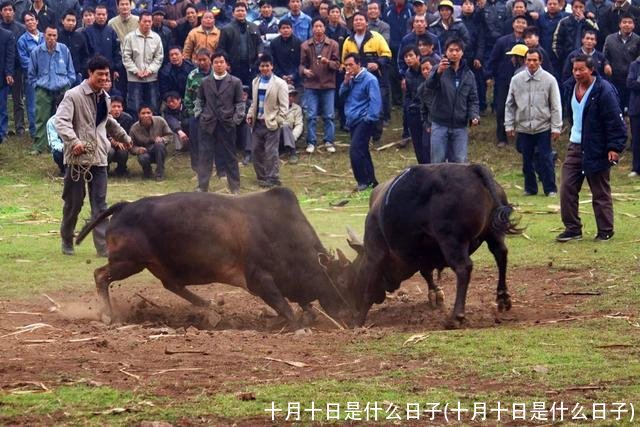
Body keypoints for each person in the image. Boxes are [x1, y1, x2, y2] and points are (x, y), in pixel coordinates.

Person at [55, 55, 132, 256]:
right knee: (74, 203)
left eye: (106, 74)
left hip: (99, 158)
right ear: (90, 73)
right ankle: (67, 238)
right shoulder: (73, 95)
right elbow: (60, 122)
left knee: (100, 204)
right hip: (78, 160)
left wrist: (124, 137)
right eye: (100, 74)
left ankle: (103, 247)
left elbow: (107, 122)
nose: (104, 78)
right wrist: (74, 142)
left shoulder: (105, 97)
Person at [556, 55, 626, 242]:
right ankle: (572, 229)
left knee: (600, 191)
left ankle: (605, 230)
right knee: (567, 187)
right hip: (575, 145)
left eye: (581, 70)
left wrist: (614, 147)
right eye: (575, 70)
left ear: (592, 69)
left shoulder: (604, 91)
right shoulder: (570, 87)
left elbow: (615, 122)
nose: (577, 73)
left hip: (598, 148)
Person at [505, 47, 561, 197]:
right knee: (526, 160)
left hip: (543, 126)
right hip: (523, 126)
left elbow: (556, 105)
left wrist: (556, 127)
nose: (531, 63)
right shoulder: (516, 80)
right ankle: (530, 188)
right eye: (529, 60)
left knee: (545, 158)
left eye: (535, 60)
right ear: (525, 61)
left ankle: (550, 188)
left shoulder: (549, 80)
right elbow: (510, 104)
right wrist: (509, 125)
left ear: (540, 61)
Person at [194, 52, 244, 193]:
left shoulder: (235, 82)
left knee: (230, 156)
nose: (219, 65)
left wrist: (235, 120)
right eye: (216, 62)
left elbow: (240, 104)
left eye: (222, 62)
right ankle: (202, 186)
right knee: (205, 155)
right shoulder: (205, 81)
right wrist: (200, 116)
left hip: (227, 124)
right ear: (212, 63)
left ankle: (234, 187)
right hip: (208, 123)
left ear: (226, 64)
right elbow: (199, 101)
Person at [425, 37, 479, 164]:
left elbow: (473, 99)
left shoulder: (469, 75)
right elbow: (429, 86)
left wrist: (474, 115)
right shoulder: (438, 69)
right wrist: (438, 72)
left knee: (460, 162)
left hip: (460, 125)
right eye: (451, 50)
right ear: (445, 52)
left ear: (462, 53)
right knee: (437, 162)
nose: (454, 53)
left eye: (457, 50)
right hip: (440, 123)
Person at [28, 24, 75, 155]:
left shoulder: (64, 50)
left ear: (57, 36)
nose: (51, 38)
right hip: (43, 89)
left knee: (63, 117)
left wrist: (68, 85)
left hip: (62, 89)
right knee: (41, 118)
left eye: (54, 35)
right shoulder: (36, 52)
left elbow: (71, 72)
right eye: (49, 35)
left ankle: (64, 143)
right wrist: (37, 86)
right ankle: (39, 146)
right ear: (44, 35)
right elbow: (31, 74)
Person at [339, 53, 381, 191]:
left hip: (364, 119)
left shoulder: (370, 79)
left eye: (351, 65)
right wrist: (345, 82)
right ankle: (372, 181)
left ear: (359, 64)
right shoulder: (350, 79)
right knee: (363, 151)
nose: (348, 68)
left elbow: (375, 101)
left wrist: (370, 119)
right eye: (346, 65)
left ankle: (362, 181)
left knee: (355, 150)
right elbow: (341, 95)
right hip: (353, 119)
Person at [247, 53, 288, 188]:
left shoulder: (280, 83)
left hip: (271, 123)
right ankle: (262, 176)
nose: (264, 68)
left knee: (271, 152)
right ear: (259, 67)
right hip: (257, 123)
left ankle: (273, 178)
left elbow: (284, 106)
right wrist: (250, 114)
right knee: (256, 150)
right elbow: (254, 102)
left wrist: (278, 121)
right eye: (262, 66)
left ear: (272, 66)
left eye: (267, 66)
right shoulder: (255, 82)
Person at [299, 17, 339, 153]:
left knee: (329, 115)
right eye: (315, 26)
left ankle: (329, 141)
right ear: (312, 28)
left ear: (325, 28)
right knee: (311, 115)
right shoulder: (305, 45)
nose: (318, 29)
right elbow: (301, 64)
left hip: (328, 84)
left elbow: (337, 65)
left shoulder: (333, 44)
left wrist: (328, 62)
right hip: (311, 84)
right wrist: (304, 71)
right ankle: (311, 141)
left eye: (320, 26)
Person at [487, 15, 525, 147]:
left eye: (523, 23)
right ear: (513, 24)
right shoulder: (502, 41)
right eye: (518, 22)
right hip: (503, 80)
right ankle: (501, 137)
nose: (520, 25)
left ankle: (521, 137)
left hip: (523, 82)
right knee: (501, 108)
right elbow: (493, 59)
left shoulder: (528, 42)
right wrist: (489, 75)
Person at [121, 11, 164, 114]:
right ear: (139, 22)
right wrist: (136, 71)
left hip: (151, 78)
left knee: (153, 106)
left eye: (149, 21)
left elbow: (159, 57)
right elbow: (126, 57)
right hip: (134, 79)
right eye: (145, 21)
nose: (147, 24)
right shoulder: (130, 37)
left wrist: (150, 70)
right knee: (134, 108)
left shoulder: (156, 38)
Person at [217, 2, 263, 86]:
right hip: (234, 67)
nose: (240, 13)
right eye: (238, 11)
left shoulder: (254, 27)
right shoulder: (226, 29)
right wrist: (226, 63)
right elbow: (221, 49)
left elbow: (259, 43)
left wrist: (260, 53)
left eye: (242, 10)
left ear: (246, 12)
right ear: (233, 13)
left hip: (251, 66)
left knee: (250, 91)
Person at [602, 12, 640, 113]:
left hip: (631, 80)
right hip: (614, 78)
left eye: (630, 22)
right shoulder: (610, 39)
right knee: (616, 107)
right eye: (624, 22)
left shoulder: (638, 40)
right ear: (619, 24)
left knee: (631, 110)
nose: (627, 25)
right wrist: (606, 64)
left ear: (634, 25)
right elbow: (604, 56)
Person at [1, 1, 25, 137]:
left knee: (18, 99)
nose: (8, 12)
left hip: (17, 68)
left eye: (10, 10)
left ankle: (20, 127)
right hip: (2, 69)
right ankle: (3, 129)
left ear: (14, 12)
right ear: (1, 12)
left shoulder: (20, 28)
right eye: (5, 10)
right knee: (2, 101)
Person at [129, 105, 173, 180]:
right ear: (139, 115)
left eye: (148, 113)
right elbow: (130, 146)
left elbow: (170, 136)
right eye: (143, 113)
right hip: (144, 152)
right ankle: (147, 171)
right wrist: (138, 149)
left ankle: (160, 173)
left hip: (159, 151)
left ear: (152, 113)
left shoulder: (160, 121)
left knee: (159, 145)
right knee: (143, 157)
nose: (146, 115)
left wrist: (162, 139)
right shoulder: (134, 128)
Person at [17, 12, 42, 141]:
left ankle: (47, 131)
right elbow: (24, 61)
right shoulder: (22, 41)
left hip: (47, 77)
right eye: (27, 21)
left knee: (46, 105)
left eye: (32, 20)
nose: (30, 22)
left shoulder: (45, 36)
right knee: (32, 106)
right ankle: (34, 133)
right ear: (24, 24)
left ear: (37, 21)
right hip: (31, 78)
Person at [402, 45, 427, 164]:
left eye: (411, 56)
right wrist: (407, 107)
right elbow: (408, 94)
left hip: (426, 112)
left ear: (418, 56)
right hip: (413, 112)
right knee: (417, 145)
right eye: (406, 57)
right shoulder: (408, 73)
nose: (408, 59)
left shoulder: (426, 69)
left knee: (427, 144)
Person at [58, 11, 90, 87]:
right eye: (68, 20)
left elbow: (85, 56)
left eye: (73, 21)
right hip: (60, 74)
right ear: (63, 21)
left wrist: (81, 71)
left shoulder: (79, 37)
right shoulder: (57, 36)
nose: (71, 23)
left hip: (76, 74)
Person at [269, 19, 302, 87]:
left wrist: (293, 75)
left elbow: (300, 62)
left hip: (296, 79)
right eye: (283, 28)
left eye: (288, 27)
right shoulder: (274, 43)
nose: (286, 30)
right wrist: (282, 75)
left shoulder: (298, 43)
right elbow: (273, 62)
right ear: (279, 30)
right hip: (278, 77)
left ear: (292, 29)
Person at [107, 95, 133, 176]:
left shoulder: (128, 118)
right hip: (107, 144)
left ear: (122, 108)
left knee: (123, 151)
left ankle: (121, 169)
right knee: (110, 151)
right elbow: (100, 134)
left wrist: (123, 142)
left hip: (122, 143)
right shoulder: (103, 117)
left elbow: (129, 134)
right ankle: (104, 169)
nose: (116, 109)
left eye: (119, 106)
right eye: (113, 106)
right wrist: (111, 141)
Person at [0, 24, 14, 145]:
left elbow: (10, 56)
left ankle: (2, 132)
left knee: (2, 106)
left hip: (1, 76)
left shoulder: (6, 35)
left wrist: (9, 73)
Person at [281, 84, 302, 163]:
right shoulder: (276, 106)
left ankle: (293, 152)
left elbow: (299, 125)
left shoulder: (297, 108)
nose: (290, 98)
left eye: (292, 96)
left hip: (291, 136)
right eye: (288, 95)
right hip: (276, 135)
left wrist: (292, 137)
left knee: (286, 126)